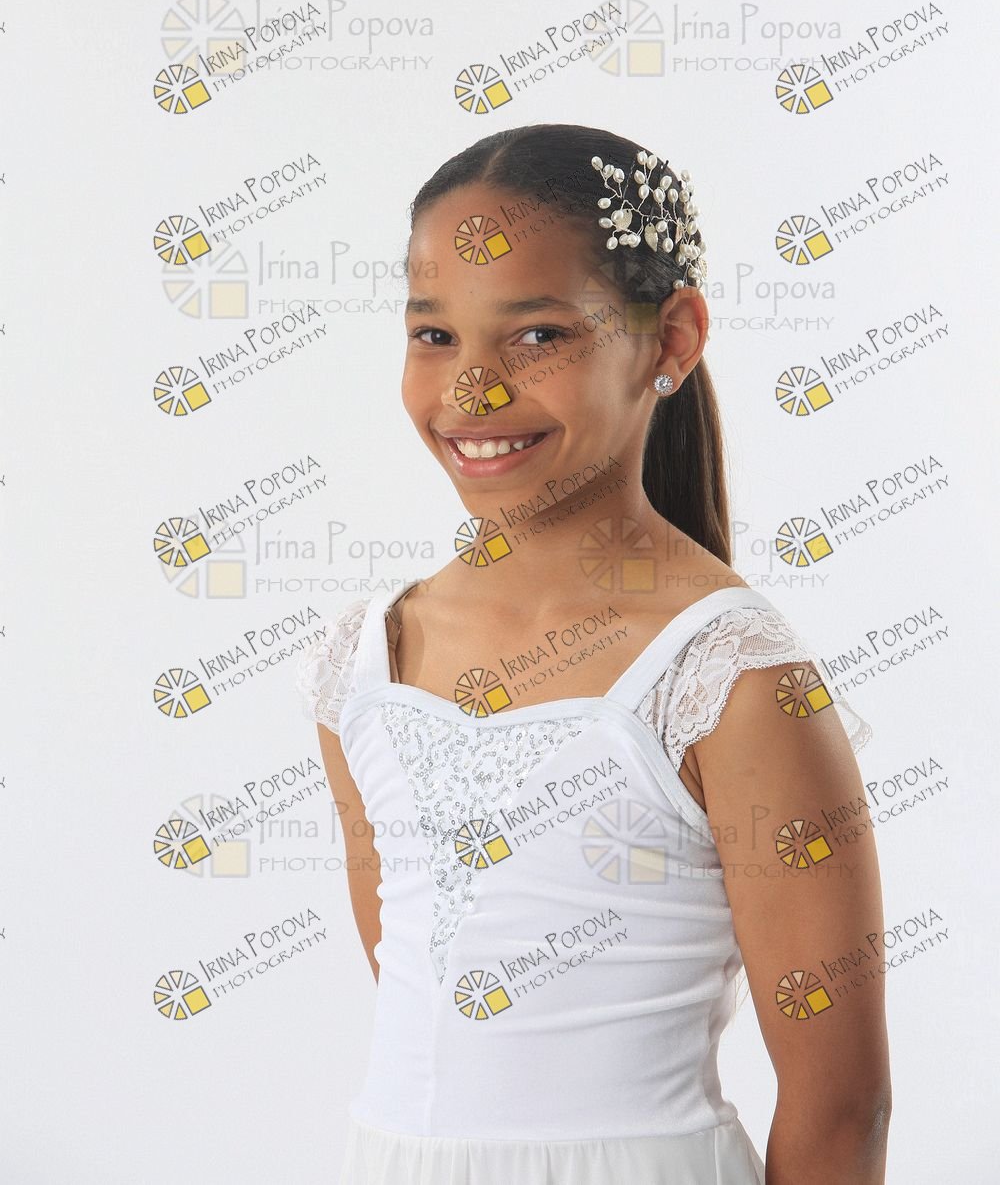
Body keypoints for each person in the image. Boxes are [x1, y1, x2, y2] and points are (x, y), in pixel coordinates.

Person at [295, 122, 892, 1184]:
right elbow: (418, 991)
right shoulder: (369, 663)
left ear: (671, 340)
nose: (472, 391)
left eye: (536, 336)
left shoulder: (731, 680)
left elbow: (841, 1108)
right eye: (435, 335)